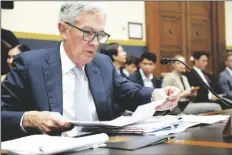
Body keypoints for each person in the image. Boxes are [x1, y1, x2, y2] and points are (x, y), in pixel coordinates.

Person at [1, 1, 180, 141]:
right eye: (87, 32)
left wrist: (157, 95)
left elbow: (129, 92)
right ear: (63, 29)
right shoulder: (30, 65)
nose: (95, 42)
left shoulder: (102, 63)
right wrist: (28, 118)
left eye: (100, 34)